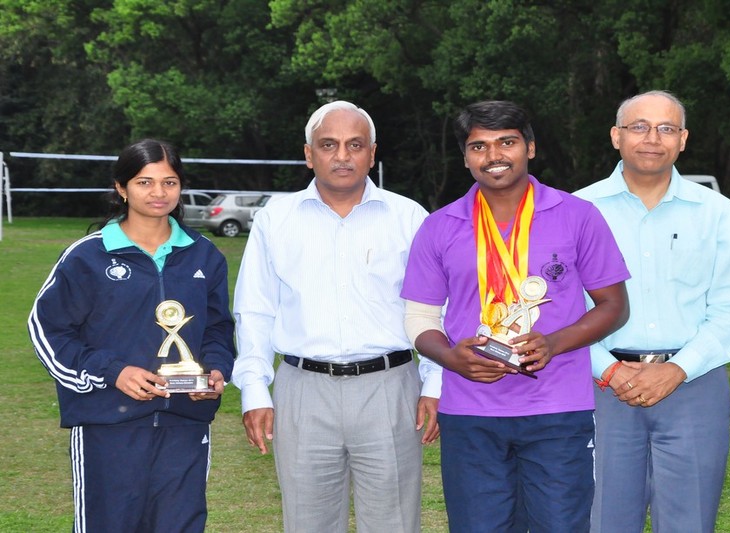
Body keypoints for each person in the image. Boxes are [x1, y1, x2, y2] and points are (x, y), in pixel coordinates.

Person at [401, 100, 631, 532]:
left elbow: (614, 305)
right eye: (479, 146)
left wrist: (554, 343)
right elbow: (419, 316)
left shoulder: (577, 216)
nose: (494, 156)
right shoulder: (440, 225)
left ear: (530, 147)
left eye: (506, 142)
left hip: (557, 408)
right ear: (465, 157)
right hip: (470, 411)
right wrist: (451, 358)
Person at [231, 100, 441, 533]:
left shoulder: (409, 217)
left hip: (390, 390)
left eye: (355, 145)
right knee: (308, 523)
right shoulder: (276, 219)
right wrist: (254, 390)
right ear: (309, 154)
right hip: (302, 392)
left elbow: (437, 307)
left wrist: (436, 383)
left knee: (394, 524)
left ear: (372, 153)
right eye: (328, 145)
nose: (342, 155)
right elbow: (255, 310)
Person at [574, 90, 730, 532]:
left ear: (683, 139)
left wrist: (678, 369)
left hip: (694, 385)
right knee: (602, 520)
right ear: (616, 136)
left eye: (666, 128)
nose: (652, 138)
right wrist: (608, 370)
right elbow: (561, 309)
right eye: (639, 126)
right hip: (599, 388)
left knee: (690, 521)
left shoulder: (717, 212)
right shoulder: (577, 211)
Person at [28, 139, 236, 532]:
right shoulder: (88, 256)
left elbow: (218, 328)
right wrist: (112, 372)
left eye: (169, 182)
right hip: (109, 424)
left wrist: (215, 371)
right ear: (121, 188)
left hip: (185, 423)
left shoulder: (204, 255)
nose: (159, 192)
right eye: (145, 182)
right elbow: (47, 329)